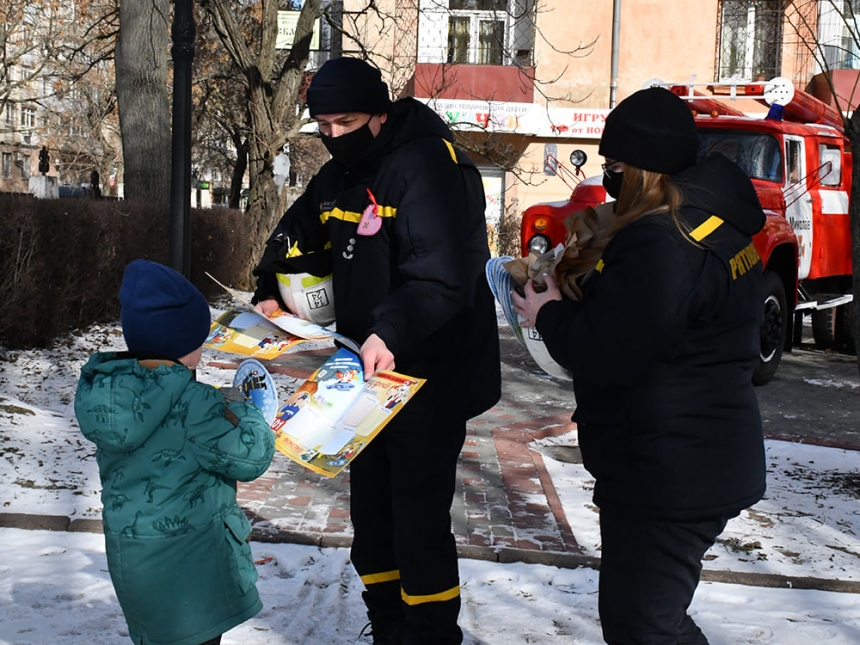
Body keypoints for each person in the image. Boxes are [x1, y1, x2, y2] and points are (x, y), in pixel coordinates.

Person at [253, 57, 501, 645]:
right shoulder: (339, 172)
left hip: (427, 373)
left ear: (380, 115)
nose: (333, 136)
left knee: (418, 520)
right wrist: (272, 285)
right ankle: (388, 624)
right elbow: (298, 233)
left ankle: (430, 633)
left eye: (345, 122)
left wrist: (388, 330)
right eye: (323, 126)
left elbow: (443, 278)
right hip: (363, 371)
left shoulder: (431, 168)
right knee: (372, 515)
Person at [512, 87, 767, 645]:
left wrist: (547, 312)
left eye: (616, 168)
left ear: (645, 169)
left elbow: (608, 349)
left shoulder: (661, 241)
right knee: (655, 618)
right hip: (699, 454)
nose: (610, 180)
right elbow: (665, 331)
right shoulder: (714, 224)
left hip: (669, 469)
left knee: (643, 626)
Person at [75, 259, 275, 645]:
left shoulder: (110, 397)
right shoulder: (195, 403)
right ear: (186, 343)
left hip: (136, 568)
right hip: (192, 576)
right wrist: (247, 410)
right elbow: (252, 458)